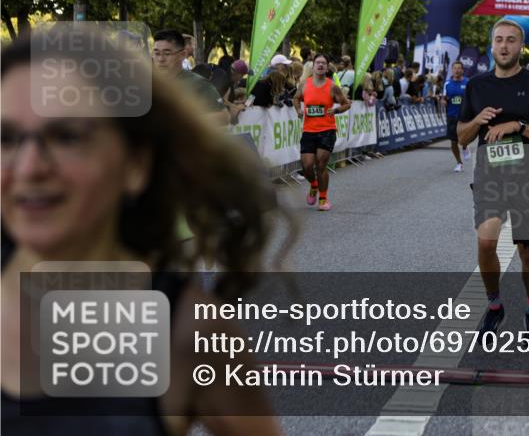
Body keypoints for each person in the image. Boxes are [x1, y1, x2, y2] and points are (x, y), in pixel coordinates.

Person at [1, 27, 284, 435]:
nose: (29, 168)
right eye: (6, 138)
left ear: (135, 164)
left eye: (67, 137)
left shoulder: (190, 334)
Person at [457, 19, 529, 341]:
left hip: (528, 179)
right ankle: (494, 305)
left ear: (521, 46)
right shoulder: (476, 86)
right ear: (492, 45)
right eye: (499, 40)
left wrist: (518, 125)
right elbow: (462, 137)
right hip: (490, 177)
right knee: (486, 241)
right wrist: (476, 120)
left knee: (527, 253)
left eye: (511, 40)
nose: (504, 46)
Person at [292, 54, 351, 212]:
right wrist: (298, 110)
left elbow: (347, 104)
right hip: (309, 130)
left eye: (323, 63)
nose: (320, 65)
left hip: (327, 130)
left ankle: (323, 199)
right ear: (313, 66)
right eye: (318, 63)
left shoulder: (332, 86)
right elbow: (296, 98)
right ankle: (313, 185)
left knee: (320, 164)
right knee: (306, 165)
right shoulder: (305, 84)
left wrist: (336, 109)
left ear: (327, 67)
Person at [152, 30, 229, 125]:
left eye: (167, 54)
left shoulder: (198, 84)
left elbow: (224, 116)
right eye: (157, 53)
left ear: (182, 55)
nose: (160, 59)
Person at [444, 61, 471, 172]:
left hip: (464, 116)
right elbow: (444, 97)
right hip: (452, 116)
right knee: (454, 141)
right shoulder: (447, 84)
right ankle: (459, 163)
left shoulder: (468, 82)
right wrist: (443, 101)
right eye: (455, 68)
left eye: (459, 68)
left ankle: (465, 146)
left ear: (462, 70)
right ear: (452, 70)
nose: (457, 70)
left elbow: (472, 98)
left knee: (463, 138)